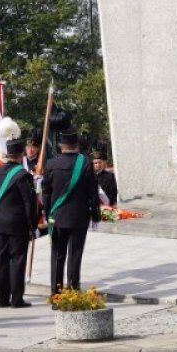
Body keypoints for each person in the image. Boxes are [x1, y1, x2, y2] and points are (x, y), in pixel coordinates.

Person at [42, 127, 100, 296]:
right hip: (78, 218)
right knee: (75, 256)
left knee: (57, 256)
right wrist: (96, 216)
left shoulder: (51, 164)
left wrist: (48, 214)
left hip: (57, 218)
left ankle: (56, 294)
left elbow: (46, 193)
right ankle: (73, 292)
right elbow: (93, 192)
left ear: (61, 145)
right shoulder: (86, 163)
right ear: (77, 145)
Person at [0, 131, 38, 308]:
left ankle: (2, 298)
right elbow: (29, 203)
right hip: (17, 224)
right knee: (17, 260)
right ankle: (17, 299)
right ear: (21, 156)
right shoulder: (22, 175)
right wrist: (32, 224)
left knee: (1, 260)